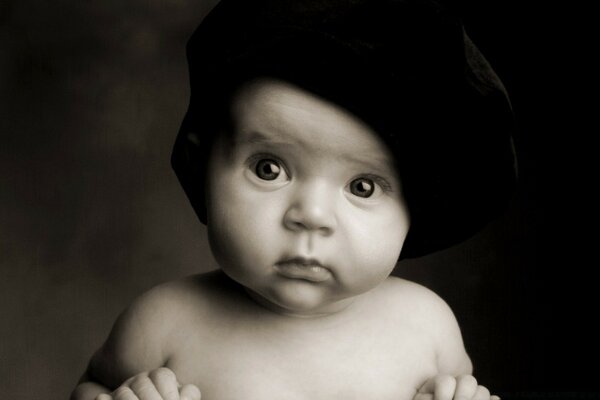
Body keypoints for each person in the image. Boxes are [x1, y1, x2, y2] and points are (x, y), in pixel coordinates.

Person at [71, 0, 517, 399]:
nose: (312, 216)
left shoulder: (427, 326)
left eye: (362, 186)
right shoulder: (162, 323)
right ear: (200, 165)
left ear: (415, 207)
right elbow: (90, 387)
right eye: (269, 169)